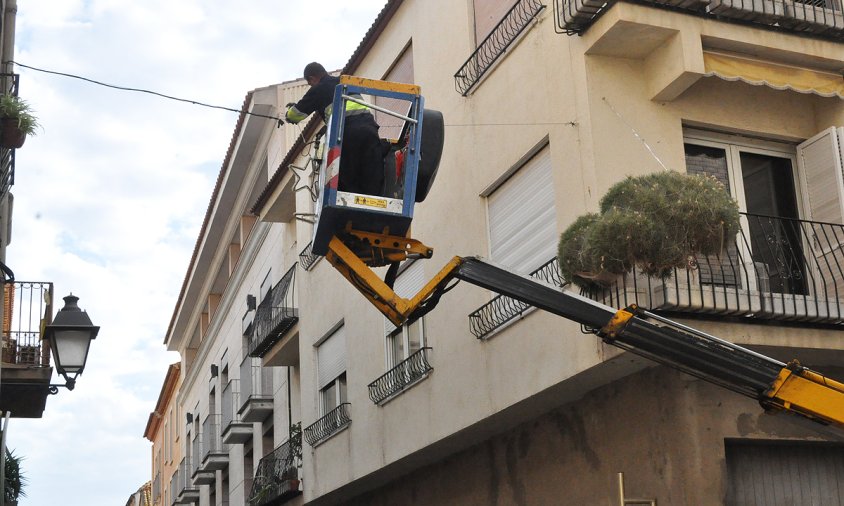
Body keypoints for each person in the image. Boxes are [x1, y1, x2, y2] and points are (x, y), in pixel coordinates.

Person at [286, 62, 384, 196]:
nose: (311, 86)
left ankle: (351, 209)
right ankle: (373, 203)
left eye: (310, 83)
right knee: (370, 172)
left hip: (347, 135)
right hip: (369, 130)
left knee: (347, 179)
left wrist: (288, 114)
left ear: (311, 78)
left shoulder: (318, 89)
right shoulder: (344, 82)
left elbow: (295, 115)